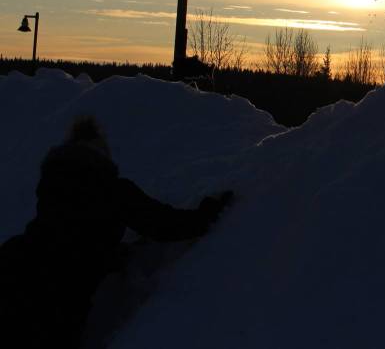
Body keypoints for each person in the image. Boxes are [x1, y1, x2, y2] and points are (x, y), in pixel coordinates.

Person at [0, 116, 233, 348]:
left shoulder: (53, 184)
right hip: (58, 295)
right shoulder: (110, 189)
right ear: (101, 154)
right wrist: (208, 215)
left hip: (14, 263)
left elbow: (65, 232)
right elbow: (165, 224)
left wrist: (111, 254)